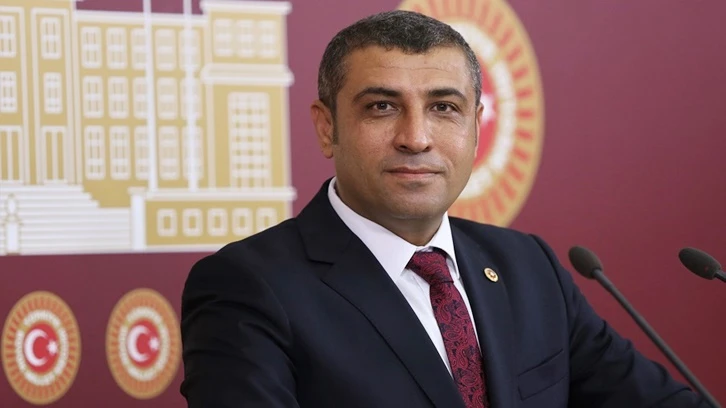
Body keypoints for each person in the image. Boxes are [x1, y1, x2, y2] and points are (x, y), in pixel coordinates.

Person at [179, 10, 707, 408]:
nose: (416, 137)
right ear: (326, 127)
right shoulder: (248, 288)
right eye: (381, 107)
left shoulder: (529, 266)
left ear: (475, 125)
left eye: (443, 107)